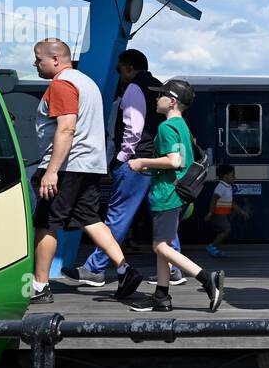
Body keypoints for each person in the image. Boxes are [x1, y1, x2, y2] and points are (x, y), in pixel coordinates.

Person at [27, 38, 143, 305]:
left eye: (38, 58)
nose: (35, 63)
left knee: (45, 224)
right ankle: (124, 269)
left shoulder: (62, 84)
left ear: (55, 60)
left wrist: (51, 171)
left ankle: (40, 286)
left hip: (67, 165)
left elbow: (66, 128)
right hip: (91, 165)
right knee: (91, 219)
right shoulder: (87, 83)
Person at [67, 49, 186, 288]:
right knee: (163, 216)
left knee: (118, 216)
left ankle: (95, 269)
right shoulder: (158, 87)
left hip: (136, 163)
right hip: (158, 164)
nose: (119, 75)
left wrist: (122, 158)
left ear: (129, 67)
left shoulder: (134, 88)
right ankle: (174, 268)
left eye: (119, 69)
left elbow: (133, 128)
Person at [123, 79, 225, 313]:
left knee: (160, 247)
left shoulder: (166, 127)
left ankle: (208, 279)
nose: (155, 99)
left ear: (171, 101)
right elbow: (179, 162)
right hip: (177, 193)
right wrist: (150, 167)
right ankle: (161, 296)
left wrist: (141, 161)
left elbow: (173, 161)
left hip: (166, 193)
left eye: (160, 95)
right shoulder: (182, 126)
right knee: (164, 245)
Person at [205, 163, 249, 257]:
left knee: (223, 230)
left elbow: (231, 202)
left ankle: (214, 247)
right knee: (226, 229)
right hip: (218, 213)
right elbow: (214, 199)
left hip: (223, 213)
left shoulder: (227, 187)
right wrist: (210, 213)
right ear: (225, 176)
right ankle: (212, 247)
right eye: (232, 175)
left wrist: (242, 212)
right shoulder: (221, 187)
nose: (235, 177)